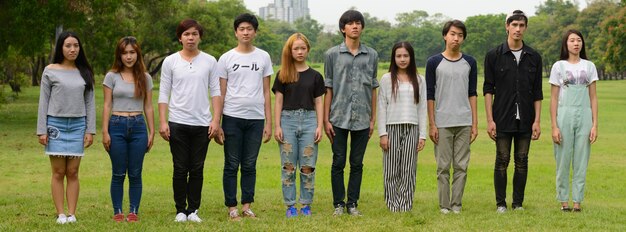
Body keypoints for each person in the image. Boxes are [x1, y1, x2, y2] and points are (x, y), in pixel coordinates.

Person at [158, 19, 222, 223]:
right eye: (186, 34)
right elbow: (163, 93)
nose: (191, 38)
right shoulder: (170, 61)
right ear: (180, 37)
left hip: (203, 124)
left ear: (200, 36)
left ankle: (193, 210)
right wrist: (162, 121)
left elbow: (216, 92)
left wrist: (216, 120)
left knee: (197, 168)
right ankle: (180, 209)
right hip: (177, 122)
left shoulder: (210, 61)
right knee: (179, 168)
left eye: (194, 34)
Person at [483, 10, 543, 213]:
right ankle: (501, 204)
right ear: (507, 26)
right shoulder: (494, 55)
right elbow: (488, 90)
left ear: (525, 28)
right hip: (501, 117)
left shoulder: (534, 56)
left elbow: (537, 92)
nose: (518, 29)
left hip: (526, 118)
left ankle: (518, 203)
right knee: (502, 160)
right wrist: (490, 120)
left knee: (522, 161)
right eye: (514, 25)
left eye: (522, 25)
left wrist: (537, 121)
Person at [216, 13, 273, 221]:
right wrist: (218, 122)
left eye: (250, 29)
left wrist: (269, 122)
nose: (246, 32)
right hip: (231, 117)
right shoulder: (226, 58)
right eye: (242, 29)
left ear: (255, 32)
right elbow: (220, 93)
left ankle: (247, 206)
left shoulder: (263, 57)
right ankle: (231, 207)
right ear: (236, 32)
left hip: (256, 119)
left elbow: (266, 91)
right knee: (231, 164)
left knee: (249, 164)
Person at [37, 31, 95, 224]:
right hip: (56, 125)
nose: (72, 49)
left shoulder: (84, 71)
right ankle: (61, 214)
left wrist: (90, 130)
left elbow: (90, 102)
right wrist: (42, 130)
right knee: (58, 172)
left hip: (78, 125)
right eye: (68, 45)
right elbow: (43, 101)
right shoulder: (50, 70)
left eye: (76, 46)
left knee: (73, 172)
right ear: (61, 47)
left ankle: (72, 214)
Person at [324, 9, 379, 216]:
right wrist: (325, 119)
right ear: (342, 28)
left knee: (357, 163)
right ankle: (338, 204)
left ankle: (352, 203)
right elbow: (328, 87)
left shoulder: (371, 55)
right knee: (338, 162)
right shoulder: (331, 54)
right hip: (338, 116)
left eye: (358, 23)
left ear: (362, 27)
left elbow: (373, 88)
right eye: (350, 23)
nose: (355, 26)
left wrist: (373, 118)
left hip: (363, 118)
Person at [425, 20, 478, 214]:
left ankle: (456, 204)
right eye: (453, 34)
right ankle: (444, 205)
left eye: (460, 35)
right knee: (443, 167)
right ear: (445, 36)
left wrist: (474, 123)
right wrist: (432, 123)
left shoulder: (470, 62)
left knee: (461, 166)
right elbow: (429, 94)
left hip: (464, 121)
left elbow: (472, 93)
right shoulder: (434, 62)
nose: (456, 38)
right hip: (442, 122)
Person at [102, 36, 155, 222]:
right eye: (125, 53)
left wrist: (152, 131)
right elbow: (107, 105)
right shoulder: (111, 76)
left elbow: (148, 106)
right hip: (116, 125)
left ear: (137, 54)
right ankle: (118, 211)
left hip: (139, 127)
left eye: (132, 52)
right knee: (118, 172)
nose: (129, 56)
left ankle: (133, 211)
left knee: (135, 172)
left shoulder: (145, 78)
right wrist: (105, 131)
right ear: (119, 55)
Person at [272, 33, 325, 218]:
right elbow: (278, 101)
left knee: (307, 166)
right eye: (296, 48)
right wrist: (277, 126)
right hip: (287, 121)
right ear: (290, 51)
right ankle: (290, 206)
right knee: (288, 166)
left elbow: (319, 102)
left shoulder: (316, 76)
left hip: (310, 121)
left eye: (303, 48)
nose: (300, 52)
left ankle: (306, 205)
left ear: (308, 49)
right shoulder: (283, 74)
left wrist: (319, 126)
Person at [549, 29, 598, 213]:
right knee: (562, 159)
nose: (576, 43)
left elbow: (593, 97)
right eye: (572, 40)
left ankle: (577, 201)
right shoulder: (558, 66)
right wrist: (554, 126)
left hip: (585, 114)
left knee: (581, 159)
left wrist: (595, 124)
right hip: (564, 115)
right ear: (566, 44)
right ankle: (563, 201)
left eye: (579, 40)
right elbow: (553, 98)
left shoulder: (589, 66)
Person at [377, 41, 427, 212]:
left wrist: (422, 135)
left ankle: (405, 205)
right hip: (391, 128)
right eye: (399, 56)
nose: (402, 59)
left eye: (406, 56)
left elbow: (422, 108)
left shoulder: (420, 80)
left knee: (408, 169)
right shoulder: (386, 79)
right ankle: (393, 204)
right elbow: (382, 107)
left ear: (411, 57)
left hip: (412, 127)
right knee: (391, 169)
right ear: (394, 58)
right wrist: (382, 134)